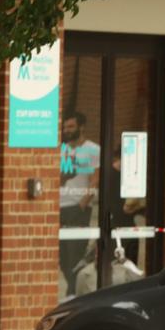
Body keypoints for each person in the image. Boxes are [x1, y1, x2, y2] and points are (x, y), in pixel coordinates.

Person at [59, 111, 100, 298]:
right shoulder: (62, 149)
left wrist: (82, 205)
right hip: (60, 207)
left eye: (71, 127)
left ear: (81, 127)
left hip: (78, 207)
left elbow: (95, 180)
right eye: (65, 127)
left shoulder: (92, 149)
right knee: (62, 256)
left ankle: (73, 293)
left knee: (75, 253)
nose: (66, 130)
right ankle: (73, 290)